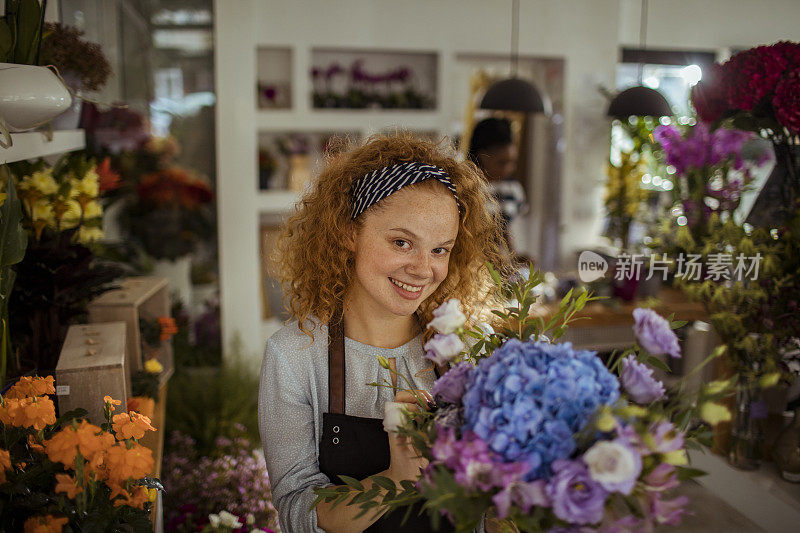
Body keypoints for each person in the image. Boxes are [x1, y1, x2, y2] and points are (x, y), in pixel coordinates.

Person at [258, 133, 508, 532]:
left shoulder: (464, 348)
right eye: (402, 242)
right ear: (347, 232)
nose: (424, 269)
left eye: (440, 249)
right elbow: (296, 511)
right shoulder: (294, 356)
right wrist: (395, 480)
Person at [467, 117, 527, 255]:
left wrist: (515, 257)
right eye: (502, 162)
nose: (509, 169)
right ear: (482, 156)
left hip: (499, 266)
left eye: (513, 162)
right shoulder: (466, 188)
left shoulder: (513, 190)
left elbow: (506, 231)